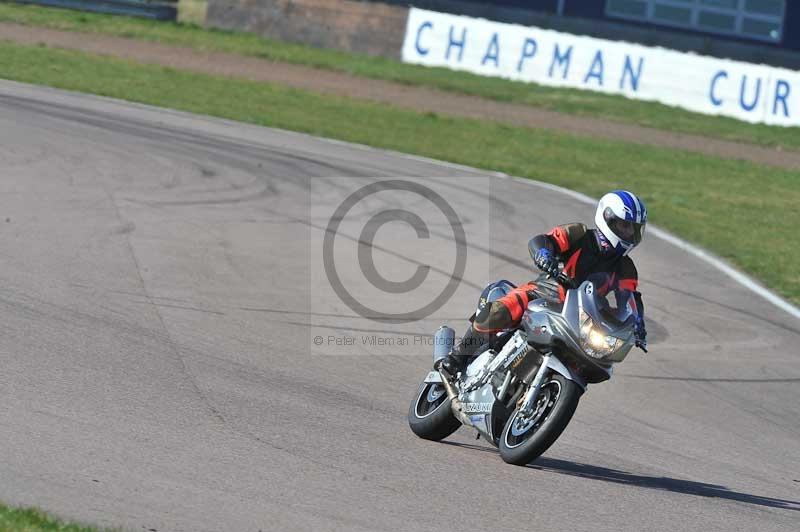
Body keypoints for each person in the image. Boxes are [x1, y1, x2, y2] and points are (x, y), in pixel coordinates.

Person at [437, 190, 649, 375]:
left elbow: (629, 298)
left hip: (580, 317)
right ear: (607, 218)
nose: (629, 233)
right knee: (500, 311)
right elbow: (543, 241)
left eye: (633, 228)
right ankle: (457, 358)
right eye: (624, 225)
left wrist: (637, 324)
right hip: (546, 293)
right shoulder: (579, 234)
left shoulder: (625, 268)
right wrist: (544, 255)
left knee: (594, 363)